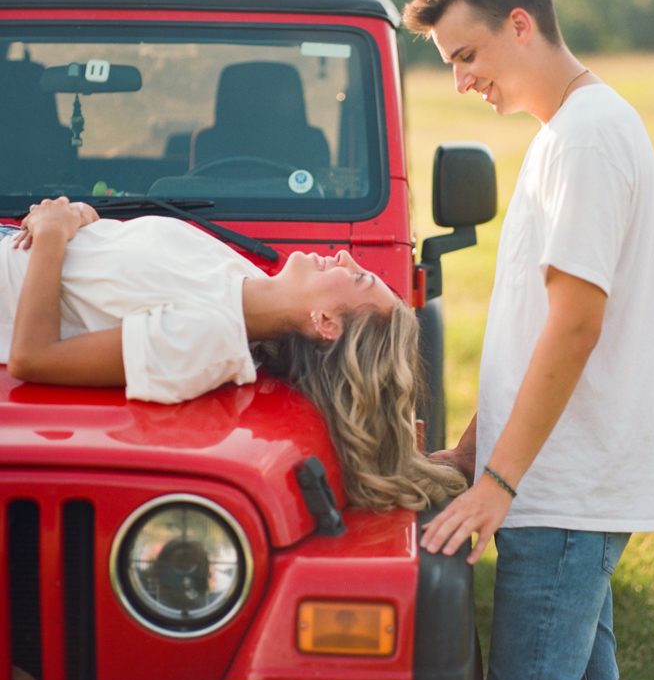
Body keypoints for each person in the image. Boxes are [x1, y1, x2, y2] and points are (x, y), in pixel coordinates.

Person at [403, 0, 654, 680]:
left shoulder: (587, 138)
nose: (460, 80)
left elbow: (575, 326)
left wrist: (499, 481)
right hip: (557, 482)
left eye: (466, 55)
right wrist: (472, 448)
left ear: (519, 24)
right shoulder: (568, 130)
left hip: (563, 492)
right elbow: (533, 328)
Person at [0, 196, 466, 512]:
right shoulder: (243, 278)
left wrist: (53, 237)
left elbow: (34, 357)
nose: (347, 258)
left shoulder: (207, 338)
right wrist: (83, 217)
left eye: (359, 279)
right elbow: (114, 279)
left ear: (325, 323)